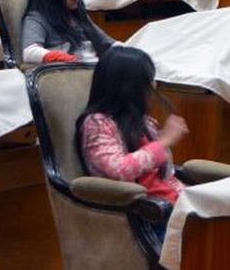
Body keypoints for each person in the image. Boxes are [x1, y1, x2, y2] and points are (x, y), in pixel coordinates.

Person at [76, 46, 188, 205]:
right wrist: (163, 142)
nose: (154, 86)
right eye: (149, 81)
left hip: (169, 203)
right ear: (130, 88)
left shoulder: (144, 122)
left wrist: (188, 199)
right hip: (143, 212)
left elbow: (165, 177)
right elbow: (118, 170)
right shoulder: (97, 123)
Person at [20, 0, 116, 64]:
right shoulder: (37, 18)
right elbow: (30, 52)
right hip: (71, 74)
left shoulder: (77, 14)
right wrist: (62, 58)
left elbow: (108, 44)